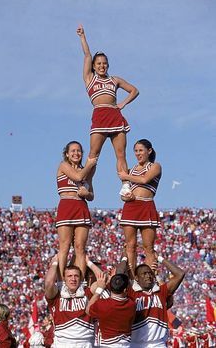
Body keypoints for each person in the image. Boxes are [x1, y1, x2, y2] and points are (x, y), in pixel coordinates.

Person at [77, 25, 139, 195]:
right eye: (99, 64)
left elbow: (134, 90)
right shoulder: (89, 79)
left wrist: (123, 103)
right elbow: (87, 55)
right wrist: (83, 37)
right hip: (99, 115)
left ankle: (125, 184)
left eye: (104, 63)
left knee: (121, 154)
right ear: (94, 66)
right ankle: (88, 183)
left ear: (108, 65)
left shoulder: (115, 80)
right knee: (93, 155)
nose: (102, 66)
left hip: (115, 115)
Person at [118, 139, 162, 269]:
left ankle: (150, 278)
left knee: (148, 247)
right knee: (130, 245)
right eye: (136, 151)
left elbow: (144, 179)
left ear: (149, 151)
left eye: (141, 150)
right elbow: (123, 195)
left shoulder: (155, 166)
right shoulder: (131, 170)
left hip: (146, 206)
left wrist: (125, 176)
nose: (138, 153)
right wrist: (127, 197)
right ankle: (132, 279)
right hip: (130, 207)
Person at [56, 140, 97, 278]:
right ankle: (62, 280)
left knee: (80, 247)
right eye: (73, 151)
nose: (76, 153)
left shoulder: (86, 171)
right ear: (67, 154)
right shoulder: (63, 165)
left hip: (81, 207)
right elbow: (78, 176)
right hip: (66, 206)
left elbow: (91, 195)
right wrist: (89, 165)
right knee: (65, 246)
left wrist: (87, 194)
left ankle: (80, 282)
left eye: (79, 150)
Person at [128, 255, 185, 348]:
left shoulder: (161, 292)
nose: (148, 276)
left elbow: (180, 274)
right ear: (137, 278)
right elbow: (118, 281)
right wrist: (124, 258)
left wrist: (159, 258)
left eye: (150, 273)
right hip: (135, 344)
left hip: (158, 344)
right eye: (144, 273)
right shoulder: (132, 294)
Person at [45, 254, 95, 348]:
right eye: (70, 276)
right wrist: (55, 263)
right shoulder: (57, 295)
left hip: (85, 343)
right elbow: (48, 283)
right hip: (63, 344)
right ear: (64, 279)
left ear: (80, 278)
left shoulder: (87, 293)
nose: (73, 279)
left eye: (76, 276)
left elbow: (102, 282)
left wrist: (89, 263)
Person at [86, 272, 136, 348]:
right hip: (126, 344)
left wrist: (100, 289)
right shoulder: (132, 304)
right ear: (125, 290)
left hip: (107, 344)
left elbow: (88, 310)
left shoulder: (103, 305)